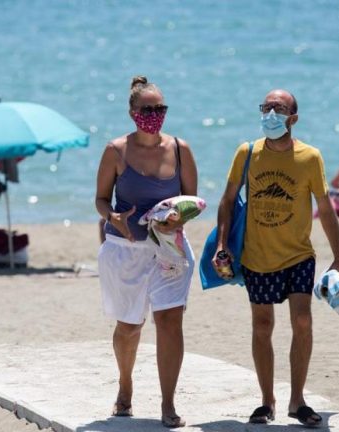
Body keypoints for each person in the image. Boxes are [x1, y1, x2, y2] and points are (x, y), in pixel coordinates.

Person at [212, 89, 339, 427]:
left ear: (293, 118)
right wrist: (221, 245)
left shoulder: (310, 157)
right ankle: (266, 400)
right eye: (266, 107)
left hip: (299, 254)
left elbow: (326, 210)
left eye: (279, 108)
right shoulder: (247, 152)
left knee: (302, 321)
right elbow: (227, 201)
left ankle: (297, 400)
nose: (271, 113)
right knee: (262, 325)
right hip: (257, 256)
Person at [95, 76, 198, 428]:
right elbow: (100, 199)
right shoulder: (115, 151)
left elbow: (191, 202)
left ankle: (168, 404)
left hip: (169, 251)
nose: (155, 115)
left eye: (161, 109)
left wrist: (175, 219)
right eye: (147, 109)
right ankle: (125, 384)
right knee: (129, 326)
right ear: (132, 112)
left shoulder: (181, 150)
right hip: (126, 250)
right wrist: (112, 217)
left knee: (169, 322)